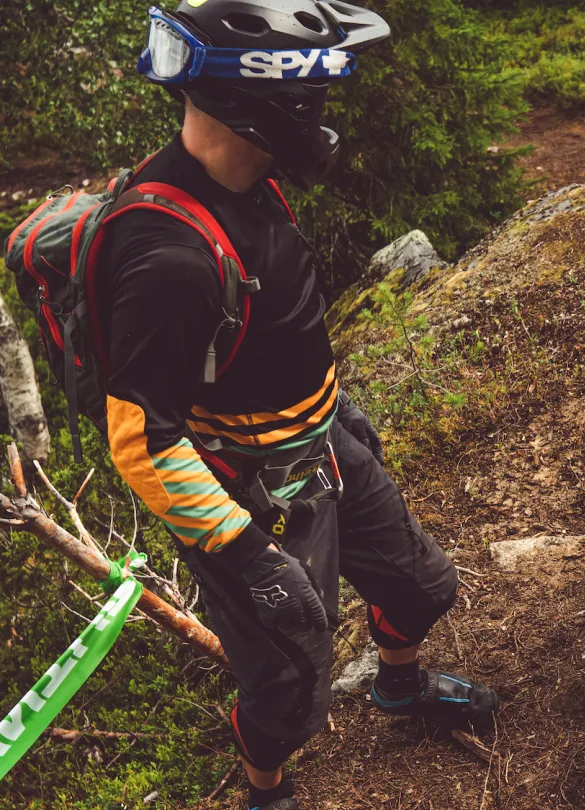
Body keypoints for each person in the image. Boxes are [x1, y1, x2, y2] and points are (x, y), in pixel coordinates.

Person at [102, 2, 498, 807]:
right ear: (266, 106)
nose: (322, 121)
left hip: (318, 441)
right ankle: (266, 791)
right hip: (244, 493)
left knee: (422, 587)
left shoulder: (246, 178)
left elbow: (269, 325)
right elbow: (139, 438)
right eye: (314, 101)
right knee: (288, 684)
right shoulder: (167, 258)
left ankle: (397, 686)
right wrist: (249, 554)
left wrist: (333, 407)